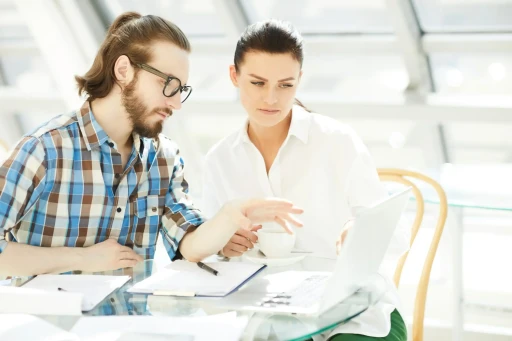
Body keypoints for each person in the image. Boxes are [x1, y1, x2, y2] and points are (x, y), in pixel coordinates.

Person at [0, 12, 303, 277]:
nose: (176, 103)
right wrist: (81, 259)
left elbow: (189, 245)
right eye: (167, 84)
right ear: (123, 71)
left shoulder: (163, 158)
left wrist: (229, 216)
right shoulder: (44, 150)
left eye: (180, 89)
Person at [202, 20, 409, 341]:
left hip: (355, 316)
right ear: (234, 76)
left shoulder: (336, 140)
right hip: (266, 318)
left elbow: (395, 233)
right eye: (257, 83)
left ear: (299, 81)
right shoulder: (219, 160)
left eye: (285, 85)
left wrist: (362, 230)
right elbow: (209, 255)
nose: (271, 98)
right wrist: (225, 246)